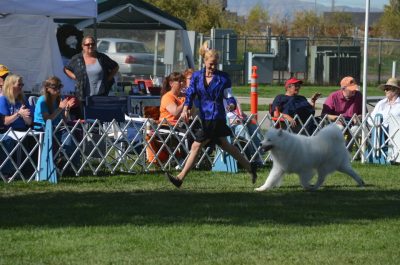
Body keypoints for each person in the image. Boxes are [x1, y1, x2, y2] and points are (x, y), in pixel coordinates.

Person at [165, 47, 257, 188]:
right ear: (205, 61)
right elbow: (190, 94)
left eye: (215, 63)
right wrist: (185, 108)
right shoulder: (196, 76)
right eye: (211, 63)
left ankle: (180, 178)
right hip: (205, 116)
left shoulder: (223, 77)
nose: (213, 66)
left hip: (216, 116)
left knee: (196, 146)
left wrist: (231, 105)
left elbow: (229, 96)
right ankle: (250, 167)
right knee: (225, 145)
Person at [33, 76, 80, 171]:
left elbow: (65, 120)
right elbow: (47, 120)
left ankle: (67, 163)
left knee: (73, 132)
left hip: (57, 128)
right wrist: (60, 108)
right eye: (55, 87)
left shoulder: (59, 99)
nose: (58, 89)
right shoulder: (43, 100)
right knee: (69, 134)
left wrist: (67, 108)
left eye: (60, 86)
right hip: (44, 128)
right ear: (47, 88)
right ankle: (66, 163)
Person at [64, 35, 119, 112]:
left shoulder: (102, 57)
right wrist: (75, 77)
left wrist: (108, 78)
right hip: (83, 96)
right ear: (83, 46)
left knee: (99, 118)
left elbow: (115, 67)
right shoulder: (77, 58)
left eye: (92, 44)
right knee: (85, 117)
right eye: (87, 44)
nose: (90, 46)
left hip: (101, 95)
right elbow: (66, 69)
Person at [0, 74, 32, 177]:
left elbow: (29, 122)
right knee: (10, 140)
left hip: (22, 129)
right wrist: (19, 114)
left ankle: (28, 169)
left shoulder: (22, 99)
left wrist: (25, 117)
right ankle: (9, 172)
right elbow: (5, 121)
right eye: (19, 84)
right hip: (8, 130)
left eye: (22, 84)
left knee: (34, 137)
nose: (21, 87)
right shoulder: (3, 100)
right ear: (10, 85)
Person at [224, 97, 263, 164]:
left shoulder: (232, 98)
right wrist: (232, 121)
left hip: (240, 121)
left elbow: (241, 114)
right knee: (242, 128)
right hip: (229, 125)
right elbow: (220, 118)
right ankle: (251, 155)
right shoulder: (217, 101)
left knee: (254, 127)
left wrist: (248, 118)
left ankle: (257, 155)